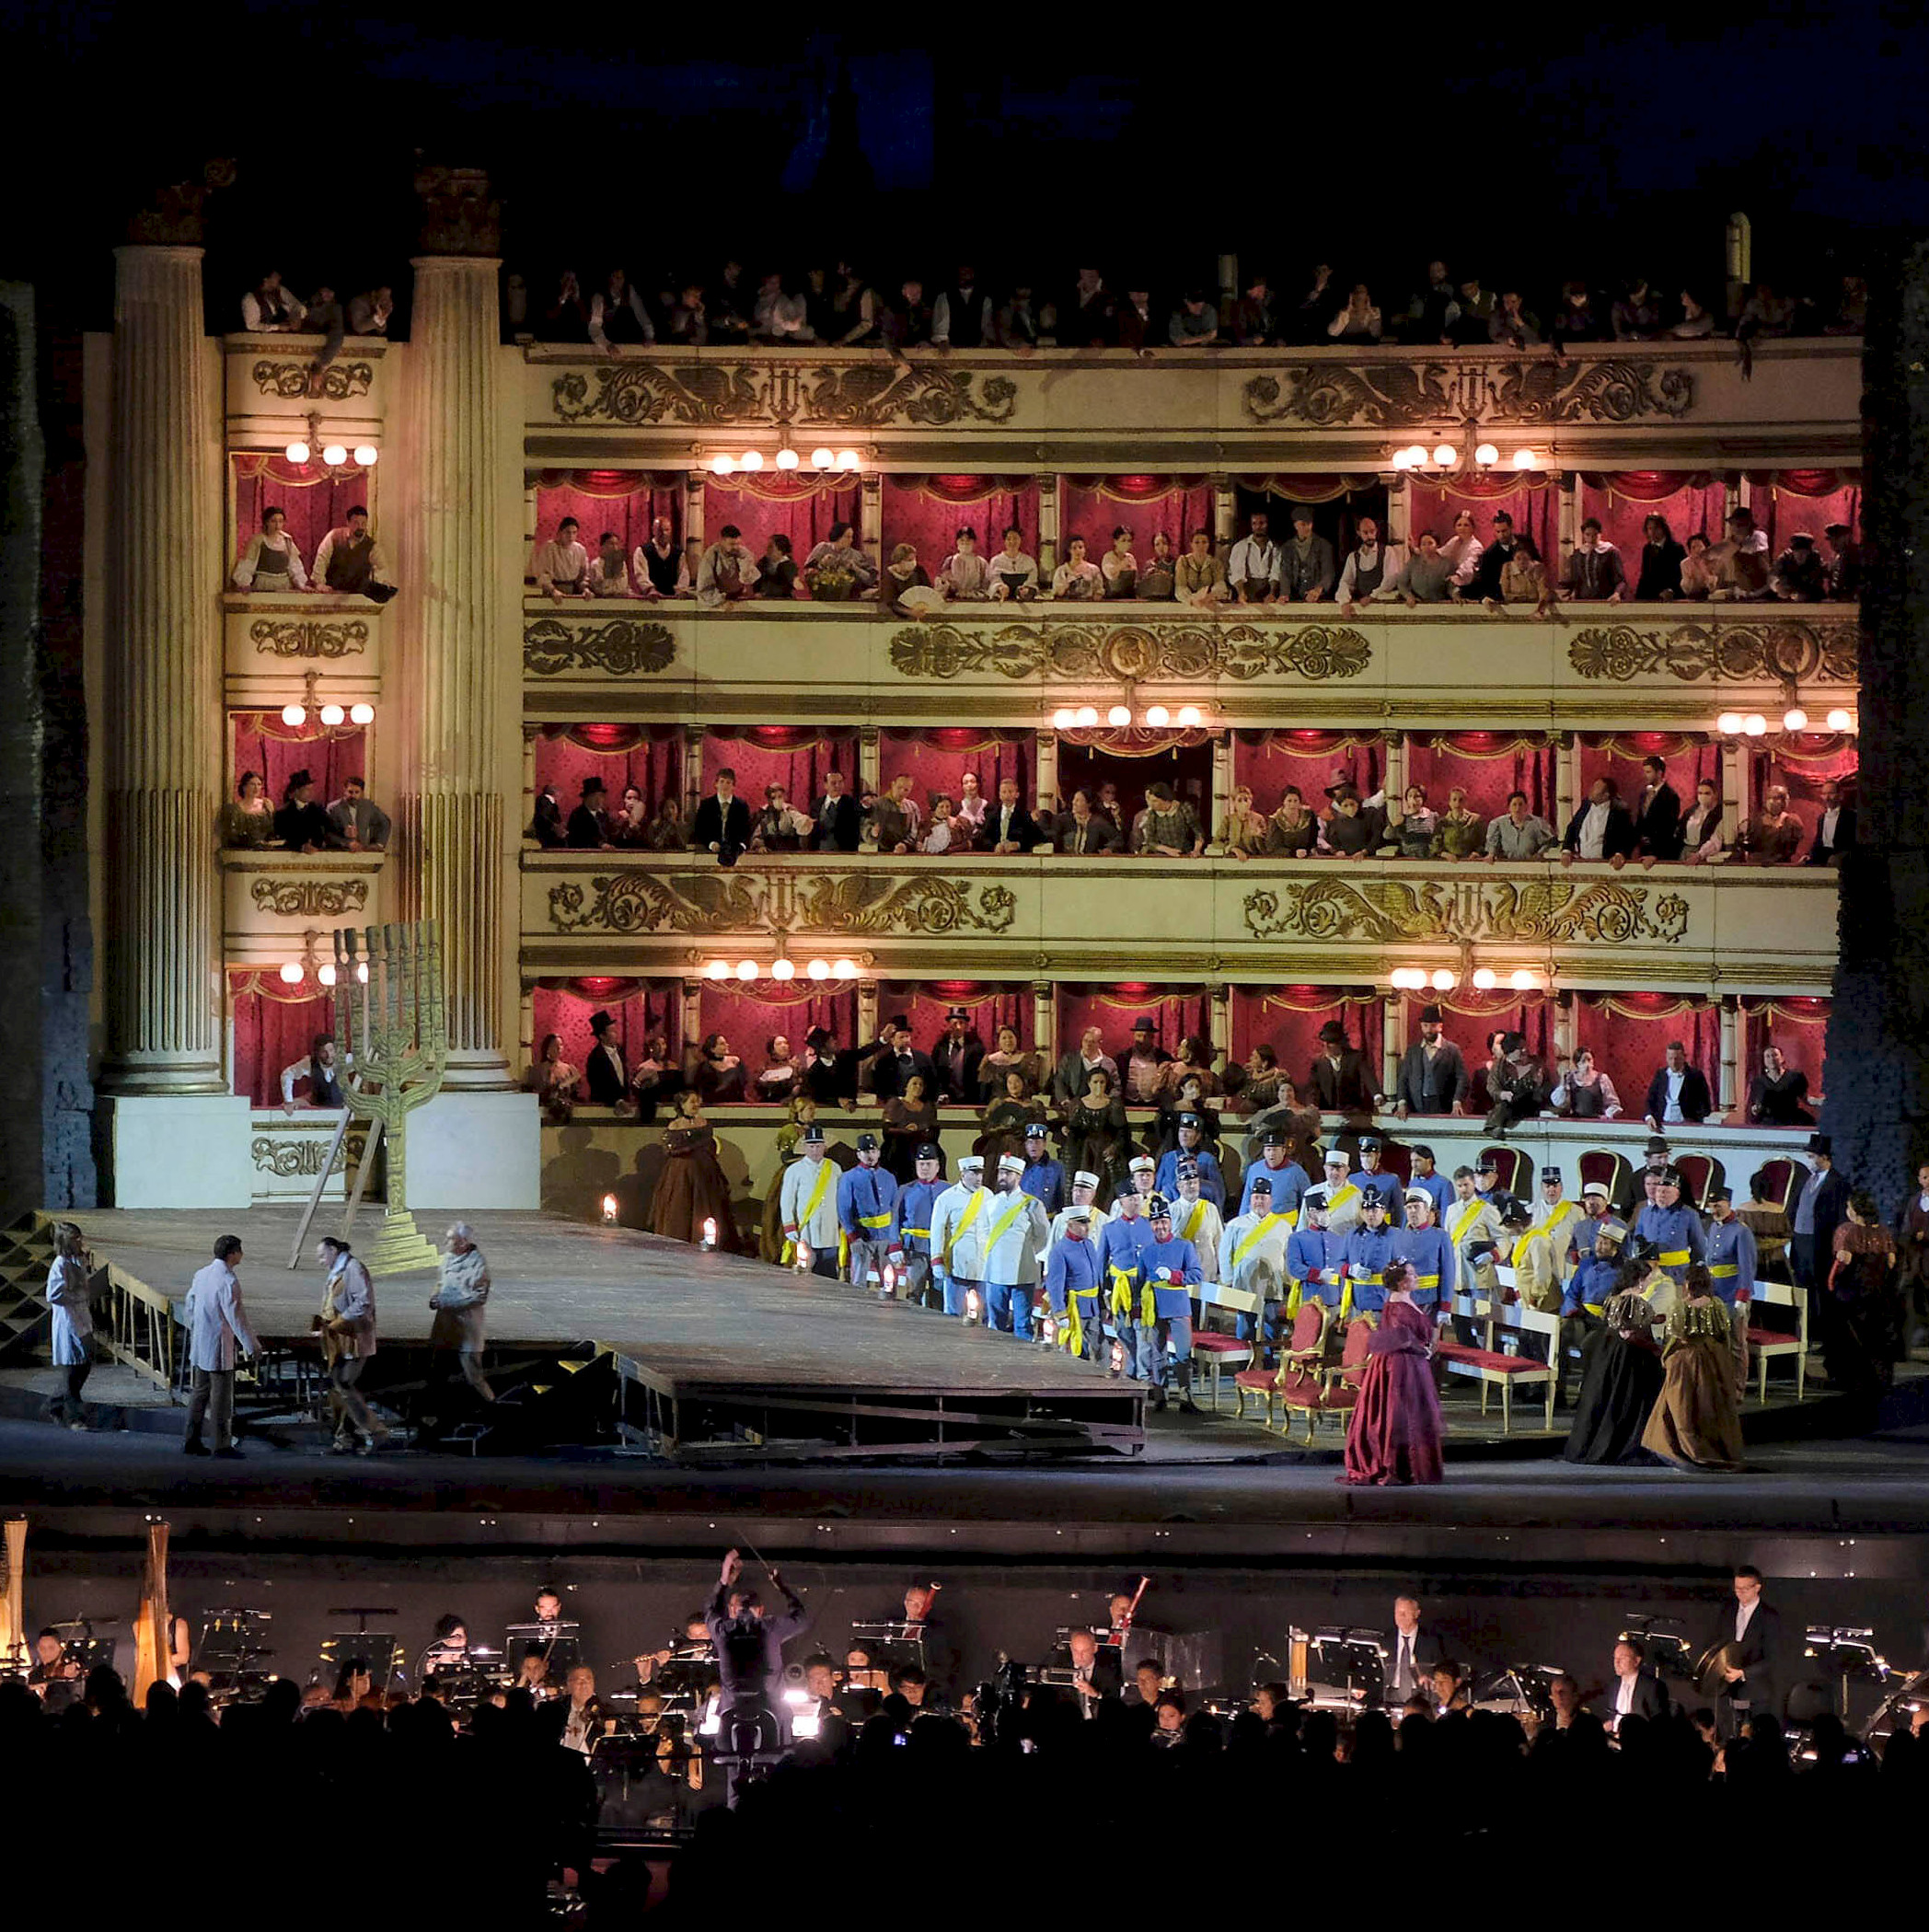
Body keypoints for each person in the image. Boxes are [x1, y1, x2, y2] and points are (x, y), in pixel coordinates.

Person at [1343, 1261, 1444, 1487]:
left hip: (1410, 1363)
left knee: (1413, 1416)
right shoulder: (1398, 1306)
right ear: (1401, 1282)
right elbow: (1401, 1338)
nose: (1417, 1276)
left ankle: (1414, 1467)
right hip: (1401, 1367)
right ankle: (1401, 1466)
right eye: (1411, 1274)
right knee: (1401, 1417)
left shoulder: (1403, 1300)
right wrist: (1423, 1349)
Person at [1641, 1265, 1744, 1472]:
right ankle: (1714, 1449)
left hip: (1685, 1361)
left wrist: (1666, 1357)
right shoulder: (1717, 1305)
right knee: (1710, 1405)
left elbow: (1674, 1337)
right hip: (1713, 1359)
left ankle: (1686, 1449)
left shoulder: (1679, 1307)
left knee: (1682, 1407)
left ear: (1688, 1285)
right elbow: (1724, 1334)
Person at [706, 1548, 810, 1743]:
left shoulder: (722, 1630)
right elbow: (801, 1619)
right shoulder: (771, 1627)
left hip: (731, 1716)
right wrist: (782, 1588)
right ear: (760, 1610)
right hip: (772, 1715)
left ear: (731, 1610)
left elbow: (711, 1611)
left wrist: (724, 1579)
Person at [1563, 1267, 1665, 1463]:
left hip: (1608, 1352)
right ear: (1640, 1280)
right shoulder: (1634, 1301)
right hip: (1629, 1355)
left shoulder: (1614, 1297)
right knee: (1628, 1398)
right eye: (1648, 1279)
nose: (1649, 1283)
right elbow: (1628, 1333)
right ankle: (1627, 1443)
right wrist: (1655, 1350)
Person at [183, 1234, 257, 1458]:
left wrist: (195, 1330)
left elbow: (190, 1305)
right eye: (240, 1250)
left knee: (199, 1394)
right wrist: (251, 1345)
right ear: (232, 1254)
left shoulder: (201, 1274)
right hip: (218, 1348)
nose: (242, 1254)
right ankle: (221, 1445)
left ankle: (191, 1440)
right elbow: (237, 1318)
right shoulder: (228, 1281)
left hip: (200, 1343)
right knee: (221, 1400)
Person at [1826, 1189, 1902, 1405]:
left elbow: (1842, 1263)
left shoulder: (1846, 1231)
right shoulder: (1885, 1233)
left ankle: (1854, 1382)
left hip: (1853, 1295)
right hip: (1879, 1295)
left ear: (1856, 1211)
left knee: (1853, 1337)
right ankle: (1881, 1382)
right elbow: (1891, 1263)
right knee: (1879, 1339)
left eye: (1849, 1207)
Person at [1130, 1195, 1204, 1410]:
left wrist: (1173, 1275)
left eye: (1163, 1222)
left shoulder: (1184, 1246)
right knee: (1157, 1352)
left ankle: (1185, 1396)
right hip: (1154, 1307)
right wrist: (1137, 1308)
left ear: (1170, 1223)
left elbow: (1196, 1275)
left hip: (1178, 1305)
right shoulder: (1147, 1251)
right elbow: (1140, 1281)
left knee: (1182, 1353)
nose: (1160, 1227)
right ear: (1150, 1225)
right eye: (1156, 1222)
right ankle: (1160, 1395)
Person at [316, 1234, 383, 1455]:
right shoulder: (338, 1270)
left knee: (343, 1384)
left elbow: (363, 1302)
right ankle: (344, 1438)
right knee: (337, 1387)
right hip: (338, 1338)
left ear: (334, 1250)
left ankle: (373, 1430)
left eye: (322, 1255)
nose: (320, 1260)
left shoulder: (354, 1268)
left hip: (354, 1337)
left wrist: (339, 1320)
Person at [650, 1089, 738, 1250]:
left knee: (706, 1204)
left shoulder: (704, 1123)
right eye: (692, 1102)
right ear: (682, 1105)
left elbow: (710, 1145)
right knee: (681, 1203)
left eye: (698, 1101)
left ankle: (706, 1238)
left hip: (705, 1170)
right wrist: (693, 1148)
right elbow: (670, 1149)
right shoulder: (675, 1125)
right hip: (682, 1171)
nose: (696, 1105)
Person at [979, 1154, 1051, 1339]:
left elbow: (1042, 1236)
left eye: (1008, 1173)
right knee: (995, 1322)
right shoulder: (991, 1203)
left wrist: (1027, 1252)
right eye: (1001, 1172)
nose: (1002, 1176)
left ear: (1018, 1177)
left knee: (1022, 1323)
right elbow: (984, 1231)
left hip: (1023, 1271)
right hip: (996, 1270)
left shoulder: (1033, 1204)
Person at [1219, 1175, 1293, 1347]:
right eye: (1256, 1198)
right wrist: (1229, 1280)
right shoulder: (1236, 1225)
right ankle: (1244, 1364)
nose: (1259, 1201)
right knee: (1245, 1326)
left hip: (1272, 1285)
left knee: (1270, 1327)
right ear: (1250, 1199)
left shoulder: (1283, 1226)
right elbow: (1225, 1253)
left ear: (1271, 1200)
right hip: (1244, 1284)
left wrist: (1289, 1281)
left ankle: (1267, 1366)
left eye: (1263, 1198)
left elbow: (1288, 1255)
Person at [430, 1223, 496, 1402]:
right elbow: (441, 1282)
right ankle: (434, 1414)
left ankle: (493, 1407)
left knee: (473, 1376)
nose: (447, 1242)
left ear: (463, 1242)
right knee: (437, 1374)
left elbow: (479, 1297)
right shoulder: (447, 1258)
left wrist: (446, 1302)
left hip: (467, 1327)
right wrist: (435, 1296)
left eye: (451, 1239)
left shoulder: (477, 1264)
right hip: (446, 1327)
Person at [42, 1222, 92, 1430]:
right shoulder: (60, 1264)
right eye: (74, 1238)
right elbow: (53, 1294)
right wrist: (76, 1296)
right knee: (73, 1370)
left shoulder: (77, 1260)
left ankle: (54, 1403)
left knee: (84, 1364)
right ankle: (74, 1418)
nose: (79, 1241)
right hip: (69, 1320)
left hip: (81, 1318)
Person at [930, 1152, 989, 1317]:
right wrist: (937, 1260)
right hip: (958, 1264)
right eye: (974, 1173)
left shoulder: (989, 1196)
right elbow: (937, 1231)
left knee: (984, 1314)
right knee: (953, 1313)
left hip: (983, 1265)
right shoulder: (947, 1198)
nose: (978, 1178)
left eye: (980, 1173)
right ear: (963, 1174)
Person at [780, 1126, 843, 1277]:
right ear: (805, 1147)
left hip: (830, 1230)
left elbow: (841, 1198)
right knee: (806, 1274)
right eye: (811, 1146)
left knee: (829, 1273)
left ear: (824, 1147)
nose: (815, 1150)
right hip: (806, 1229)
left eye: (818, 1146)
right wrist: (789, 1226)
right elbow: (787, 1201)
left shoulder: (834, 1168)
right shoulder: (795, 1170)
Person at [1392, 1003, 1469, 1116]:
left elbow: (1462, 1078)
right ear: (1421, 1026)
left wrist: (1457, 1101)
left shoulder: (1453, 1050)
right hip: (1416, 1105)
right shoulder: (1413, 1051)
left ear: (1440, 1026)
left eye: (1433, 1026)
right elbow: (1403, 1078)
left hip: (1444, 1106)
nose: (1429, 1030)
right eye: (1425, 1025)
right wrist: (1402, 1102)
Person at [312, 504, 397, 601]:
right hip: (331, 594)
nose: (360, 527)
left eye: (363, 523)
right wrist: (320, 584)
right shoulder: (333, 537)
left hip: (357, 597)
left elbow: (382, 568)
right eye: (356, 523)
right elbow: (322, 560)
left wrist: (384, 584)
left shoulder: (372, 547)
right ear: (348, 523)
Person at [1484, 1032, 1548, 1136]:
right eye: (1520, 1048)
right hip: (1510, 1105)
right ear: (1510, 1051)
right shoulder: (1499, 1066)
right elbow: (1492, 1087)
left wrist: (1539, 1083)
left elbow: (1547, 1089)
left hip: (1532, 1103)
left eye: (1525, 1047)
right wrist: (1502, 1094)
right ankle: (1492, 1127)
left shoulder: (1536, 1063)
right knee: (1504, 1104)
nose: (1525, 1050)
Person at [232, 505, 310, 591]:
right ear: (266, 522)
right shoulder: (258, 541)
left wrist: (301, 584)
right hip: (264, 584)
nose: (277, 525)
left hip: (283, 586)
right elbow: (248, 563)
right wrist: (244, 583)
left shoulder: (287, 541)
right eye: (273, 521)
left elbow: (295, 566)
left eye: (280, 521)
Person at [1334, 515, 1400, 614]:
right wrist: (1344, 602)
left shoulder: (1387, 551)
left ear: (1376, 531)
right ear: (1359, 533)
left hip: (1385, 608)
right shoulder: (1353, 557)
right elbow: (1346, 582)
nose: (1370, 536)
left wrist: (1372, 596)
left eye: (1372, 531)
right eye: (1365, 532)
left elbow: (1391, 579)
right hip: (1363, 609)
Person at [1308, 1020, 1373, 1114]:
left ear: (1340, 1044)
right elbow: (1313, 1088)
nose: (1326, 1047)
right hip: (1327, 1112)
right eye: (1324, 1043)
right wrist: (1312, 1105)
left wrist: (1377, 1096)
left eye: (1330, 1043)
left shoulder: (1355, 1057)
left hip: (1352, 1112)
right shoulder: (1318, 1062)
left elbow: (1368, 1077)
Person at [1643, 1040, 1714, 1128]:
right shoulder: (1660, 1075)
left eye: (1677, 1059)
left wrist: (1695, 1119)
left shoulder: (1695, 1076)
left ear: (1684, 1057)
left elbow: (1704, 1101)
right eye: (1670, 1058)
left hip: (1687, 1125)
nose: (1673, 1063)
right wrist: (1649, 1117)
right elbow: (1650, 1099)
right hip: (1662, 1123)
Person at [691, 767, 752, 866]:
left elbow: (747, 830)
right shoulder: (706, 805)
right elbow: (699, 829)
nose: (725, 786)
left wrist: (741, 846)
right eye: (722, 782)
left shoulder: (742, 806)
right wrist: (710, 844)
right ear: (716, 784)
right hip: (709, 856)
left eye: (728, 782)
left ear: (733, 786)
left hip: (736, 856)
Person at [1601, 1639, 1669, 1729]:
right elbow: (1610, 1713)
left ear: (1636, 1661)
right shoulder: (1613, 1683)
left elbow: (1659, 1722)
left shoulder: (1652, 1686)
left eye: (1622, 1658)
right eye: (1615, 1658)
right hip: (1613, 1736)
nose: (1616, 1663)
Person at [1560, 518, 1627, 602]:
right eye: (1587, 534)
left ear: (1600, 534)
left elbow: (1620, 580)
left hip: (1607, 600)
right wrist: (1571, 594)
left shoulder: (1610, 552)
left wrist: (1617, 593)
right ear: (1583, 535)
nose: (1591, 538)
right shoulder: (1578, 554)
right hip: (1583, 600)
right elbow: (1576, 581)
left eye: (1595, 535)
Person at [1735, 783, 1804, 864]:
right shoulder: (1755, 821)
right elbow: (1749, 845)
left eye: (1775, 798)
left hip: (1781, 867)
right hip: (1756, 866)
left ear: (1784, 801)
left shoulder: (1791, 822)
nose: (1771, 802)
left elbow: (1791, 850)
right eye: (1768, 798)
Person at [588, 268, 654, 350]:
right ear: (609, 278)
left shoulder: (629, 291)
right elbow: (594, 327)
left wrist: (649, 336)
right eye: (615, 277)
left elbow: (642, 315)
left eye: (621, 278)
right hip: (607, 337)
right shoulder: (599, 296)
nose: (618, 281)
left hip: (627, 337)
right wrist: (607, 345)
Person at [280, 1031, 349, 1109]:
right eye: (324, 1052)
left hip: (342, 1108)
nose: (329, 1055)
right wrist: (288, 1101)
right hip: (317, 1107)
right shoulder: (310, 1063)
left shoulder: (345, 1060)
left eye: (331, 1050)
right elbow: (287, 1074)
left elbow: (363, 1063)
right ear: (318, 1053)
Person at [1746, 1044, 1812, 1125]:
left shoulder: (1795, 1077)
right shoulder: (1758, 1082)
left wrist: (1821, 1101)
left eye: (1775, 1055)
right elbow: (1756, 1104)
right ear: (1764, 1060)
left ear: (1782, 1058)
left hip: (1792, 1121)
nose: (1771, 1059)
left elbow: (1805, 1099)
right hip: (1768, 1123)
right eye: (1768, 1056)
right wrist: (1755, 1110)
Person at [1134, 781, 1204, 858]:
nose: (1151, 804)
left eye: (1155, 801)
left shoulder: (1184, 809)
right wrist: (1167, 850)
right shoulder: (1152, 814)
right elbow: (1150, 841)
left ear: (1165, 800)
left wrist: (1196, 850)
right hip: (1161, 855)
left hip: (1183, 853)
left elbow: (1198, 833)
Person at [696, 525, 758, 607]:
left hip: (738, 597)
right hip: (717, 598)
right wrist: (721, 598)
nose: (736, 547)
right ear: (722, 541)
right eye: (732, 544)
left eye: (738, 544)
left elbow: (748, 580)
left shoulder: (743, 553)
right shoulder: (712, 554)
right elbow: (704, 583)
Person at [325, 775, 390, 852]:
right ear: (344, 790)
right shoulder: (333, 808)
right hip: (340, 852)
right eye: (350, 792)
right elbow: (327, 833)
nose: (353, 795)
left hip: (363, 852)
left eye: (357, 792)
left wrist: (379, 844)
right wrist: (347, 843)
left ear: (362, 792)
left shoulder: (367, 806)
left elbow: (385, 822)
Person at [1228, 512, 1281, 605]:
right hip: (1247, 590)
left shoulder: (1275, 548)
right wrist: (1241, 593)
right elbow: (1236, 572)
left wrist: (1272, 594)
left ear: (1267, 524)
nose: (1258, 527)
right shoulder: (1241, 546)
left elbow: (1276, 573)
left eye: (1262, 523)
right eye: (1254, 523)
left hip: (1267, 591)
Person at [1484, 790, 1554, 861]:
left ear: (1526, 806)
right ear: (1509, 807)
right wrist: (1491, 854)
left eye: (1520, 804)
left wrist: (1539, 854)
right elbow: (1492, 845)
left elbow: (1548, 843)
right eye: (1514, 805)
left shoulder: (1538, 823)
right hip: (1506, 865)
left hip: (1531, 866)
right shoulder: (1498, 824)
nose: (1517, 808)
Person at [1633, 515, 1689, 602]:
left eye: (1656, 528)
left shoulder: (1677, 548)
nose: (1652, 532)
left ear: (1663, 529)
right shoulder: (1647, 549)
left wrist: (1671, 590)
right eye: (1650, 529)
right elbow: (1645, 575)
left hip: (1673, 597)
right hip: (1652, 597)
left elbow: (1681, 574)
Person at [274, 769, 332, 851]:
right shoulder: (283, 812)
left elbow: (329, 827)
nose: (311, 792)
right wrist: (301, 846)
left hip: (316, 853)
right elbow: (283, 836)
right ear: (297, 791)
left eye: (312, 789)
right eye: (307, 790)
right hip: (291, 854)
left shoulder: (318, 809)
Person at [986, 776, 1044, 854]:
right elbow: (983, 838)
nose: (1007, 795)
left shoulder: (1024, 815)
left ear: (1017, 794)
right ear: (999, 795)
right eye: (1004, 792)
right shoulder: (992, 815)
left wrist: (1018, 845)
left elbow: (1037, 837)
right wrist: (994, 847)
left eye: (1010, 792)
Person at [808, 770, 862, 853]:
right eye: (833, 783)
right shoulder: (816, 804)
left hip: (845, 853)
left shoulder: (852, 803)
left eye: (840, 782)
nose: (838, 786)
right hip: (820, 853)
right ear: (825, 785)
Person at [1806, 778, 1857, 865]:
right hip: (1822, 858)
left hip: (1842, 861)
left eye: (1831, 793)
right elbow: (1818, 842)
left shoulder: (1851, 816)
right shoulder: (1821, 818)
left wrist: (1840, 857)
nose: (1827, 798)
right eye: (1824, 794)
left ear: (1840, 795)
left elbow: (1854, 844)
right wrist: (1808, 855)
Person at [1054, 789, 1122, 855]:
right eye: (1074, 799)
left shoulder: (1098, 823)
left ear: (1088, 804)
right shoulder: (1065, 820)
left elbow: (1117, 839)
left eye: (1078, 800)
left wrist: (1109, 849)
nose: (1074, 803)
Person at [1175, 529, 1230, 607]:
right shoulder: (1184, 561)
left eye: (1204, 542)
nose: (1201, 546)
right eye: (1197, 542)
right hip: (1188, 603)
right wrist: (1191, 599)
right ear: (1191, 544)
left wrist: (1209, 596)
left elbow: (1220, 585)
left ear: (1208, 544)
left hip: (1208, 602)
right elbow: (1180, 587)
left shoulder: (1215, 563)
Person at [583, 1009, 625, 1105]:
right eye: (613, 1031)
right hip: (605, 1106)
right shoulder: (595, 1058)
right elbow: (597, 1086)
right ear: (602, 1035)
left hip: (623, 1105)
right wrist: (616, 1101)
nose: (616, 1033)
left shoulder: (620, 1050)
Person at [988, 526, 1040, 602]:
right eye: (1009, 539)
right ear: (1004, 541)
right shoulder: (996, 561)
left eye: (1015, 538)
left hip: (1023, 600)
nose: (1012, 542)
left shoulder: (1029, 561)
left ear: (1020, 540)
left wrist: (1026, 589)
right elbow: (993, 580)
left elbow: (1032, 581)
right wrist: (1000, 588)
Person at [1771, 533, 1827, 602]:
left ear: (1809, 553)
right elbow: (1772, 576)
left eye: (1804, 553)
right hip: (1788, 592)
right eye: (1797, 552)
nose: (1800, 556)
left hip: (1809, 593)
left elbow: (1820, 579)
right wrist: (1777, 586)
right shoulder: (1784, 558)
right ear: (1793, 551)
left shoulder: (1815, 559)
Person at [566, 777, 613, 850]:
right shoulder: (578, 815)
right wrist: (600, 845)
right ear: (586, 798)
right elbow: (579, 839)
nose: (598, 800)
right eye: (594, 796)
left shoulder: (603, 815)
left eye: (600, 796)